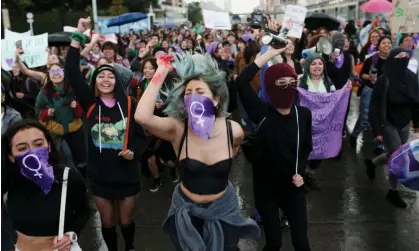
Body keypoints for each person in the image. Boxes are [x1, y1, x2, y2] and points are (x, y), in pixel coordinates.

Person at [135, 53, 260, 250]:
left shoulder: (233, 130)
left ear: (216, 100)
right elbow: (142, 116)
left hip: (224, 211)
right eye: (187, 92)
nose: (193, 96)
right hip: (187, 216)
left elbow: (235, 147)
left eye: (200, 91)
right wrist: (160, 71)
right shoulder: (177, 130)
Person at [67, 17, 147, 251]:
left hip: (127, 175)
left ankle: (129, 246)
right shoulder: (90, 104)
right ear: (94, 81)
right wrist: (77, 37)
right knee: (108, 221)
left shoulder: (130, 104)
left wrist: (134, 151)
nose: (105, 79)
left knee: (126, 221)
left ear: (117, 80)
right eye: (100, 76)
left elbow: (141, 138)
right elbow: (71, 70)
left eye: (110, 75)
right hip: (100, 175)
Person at [237, 44, 312, 251]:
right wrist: (269, 54)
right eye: (281, 82)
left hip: (293, 188)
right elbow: (241, 81)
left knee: (301, 242)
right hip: (267, 190)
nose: (287, 87)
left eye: (291, 82)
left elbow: (306, 148)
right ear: (270, 86)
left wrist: (301, 172)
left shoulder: (303, 115)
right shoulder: (261, 113)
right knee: (274, 243)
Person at [1, 120, 90, 251]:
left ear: (48, 145)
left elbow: (83, 211)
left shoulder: (68, 177)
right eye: (22, 148)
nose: (32, 152)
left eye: (38, 144)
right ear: (11, 156)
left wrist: (70, 235)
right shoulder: (8, 181)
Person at [366, 47, 419, 208]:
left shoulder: (411, 77)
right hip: (388, 121)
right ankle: (393, 191)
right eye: (399, 56)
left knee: (392, 154)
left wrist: (416, 122)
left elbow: (416, 101)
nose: (403, 59)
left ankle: (372, 164)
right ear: (392, 59)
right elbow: (374, 107)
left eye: (406, 56)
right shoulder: (384, 80)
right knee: (399, 158)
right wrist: (377, 130)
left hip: (404, 122)